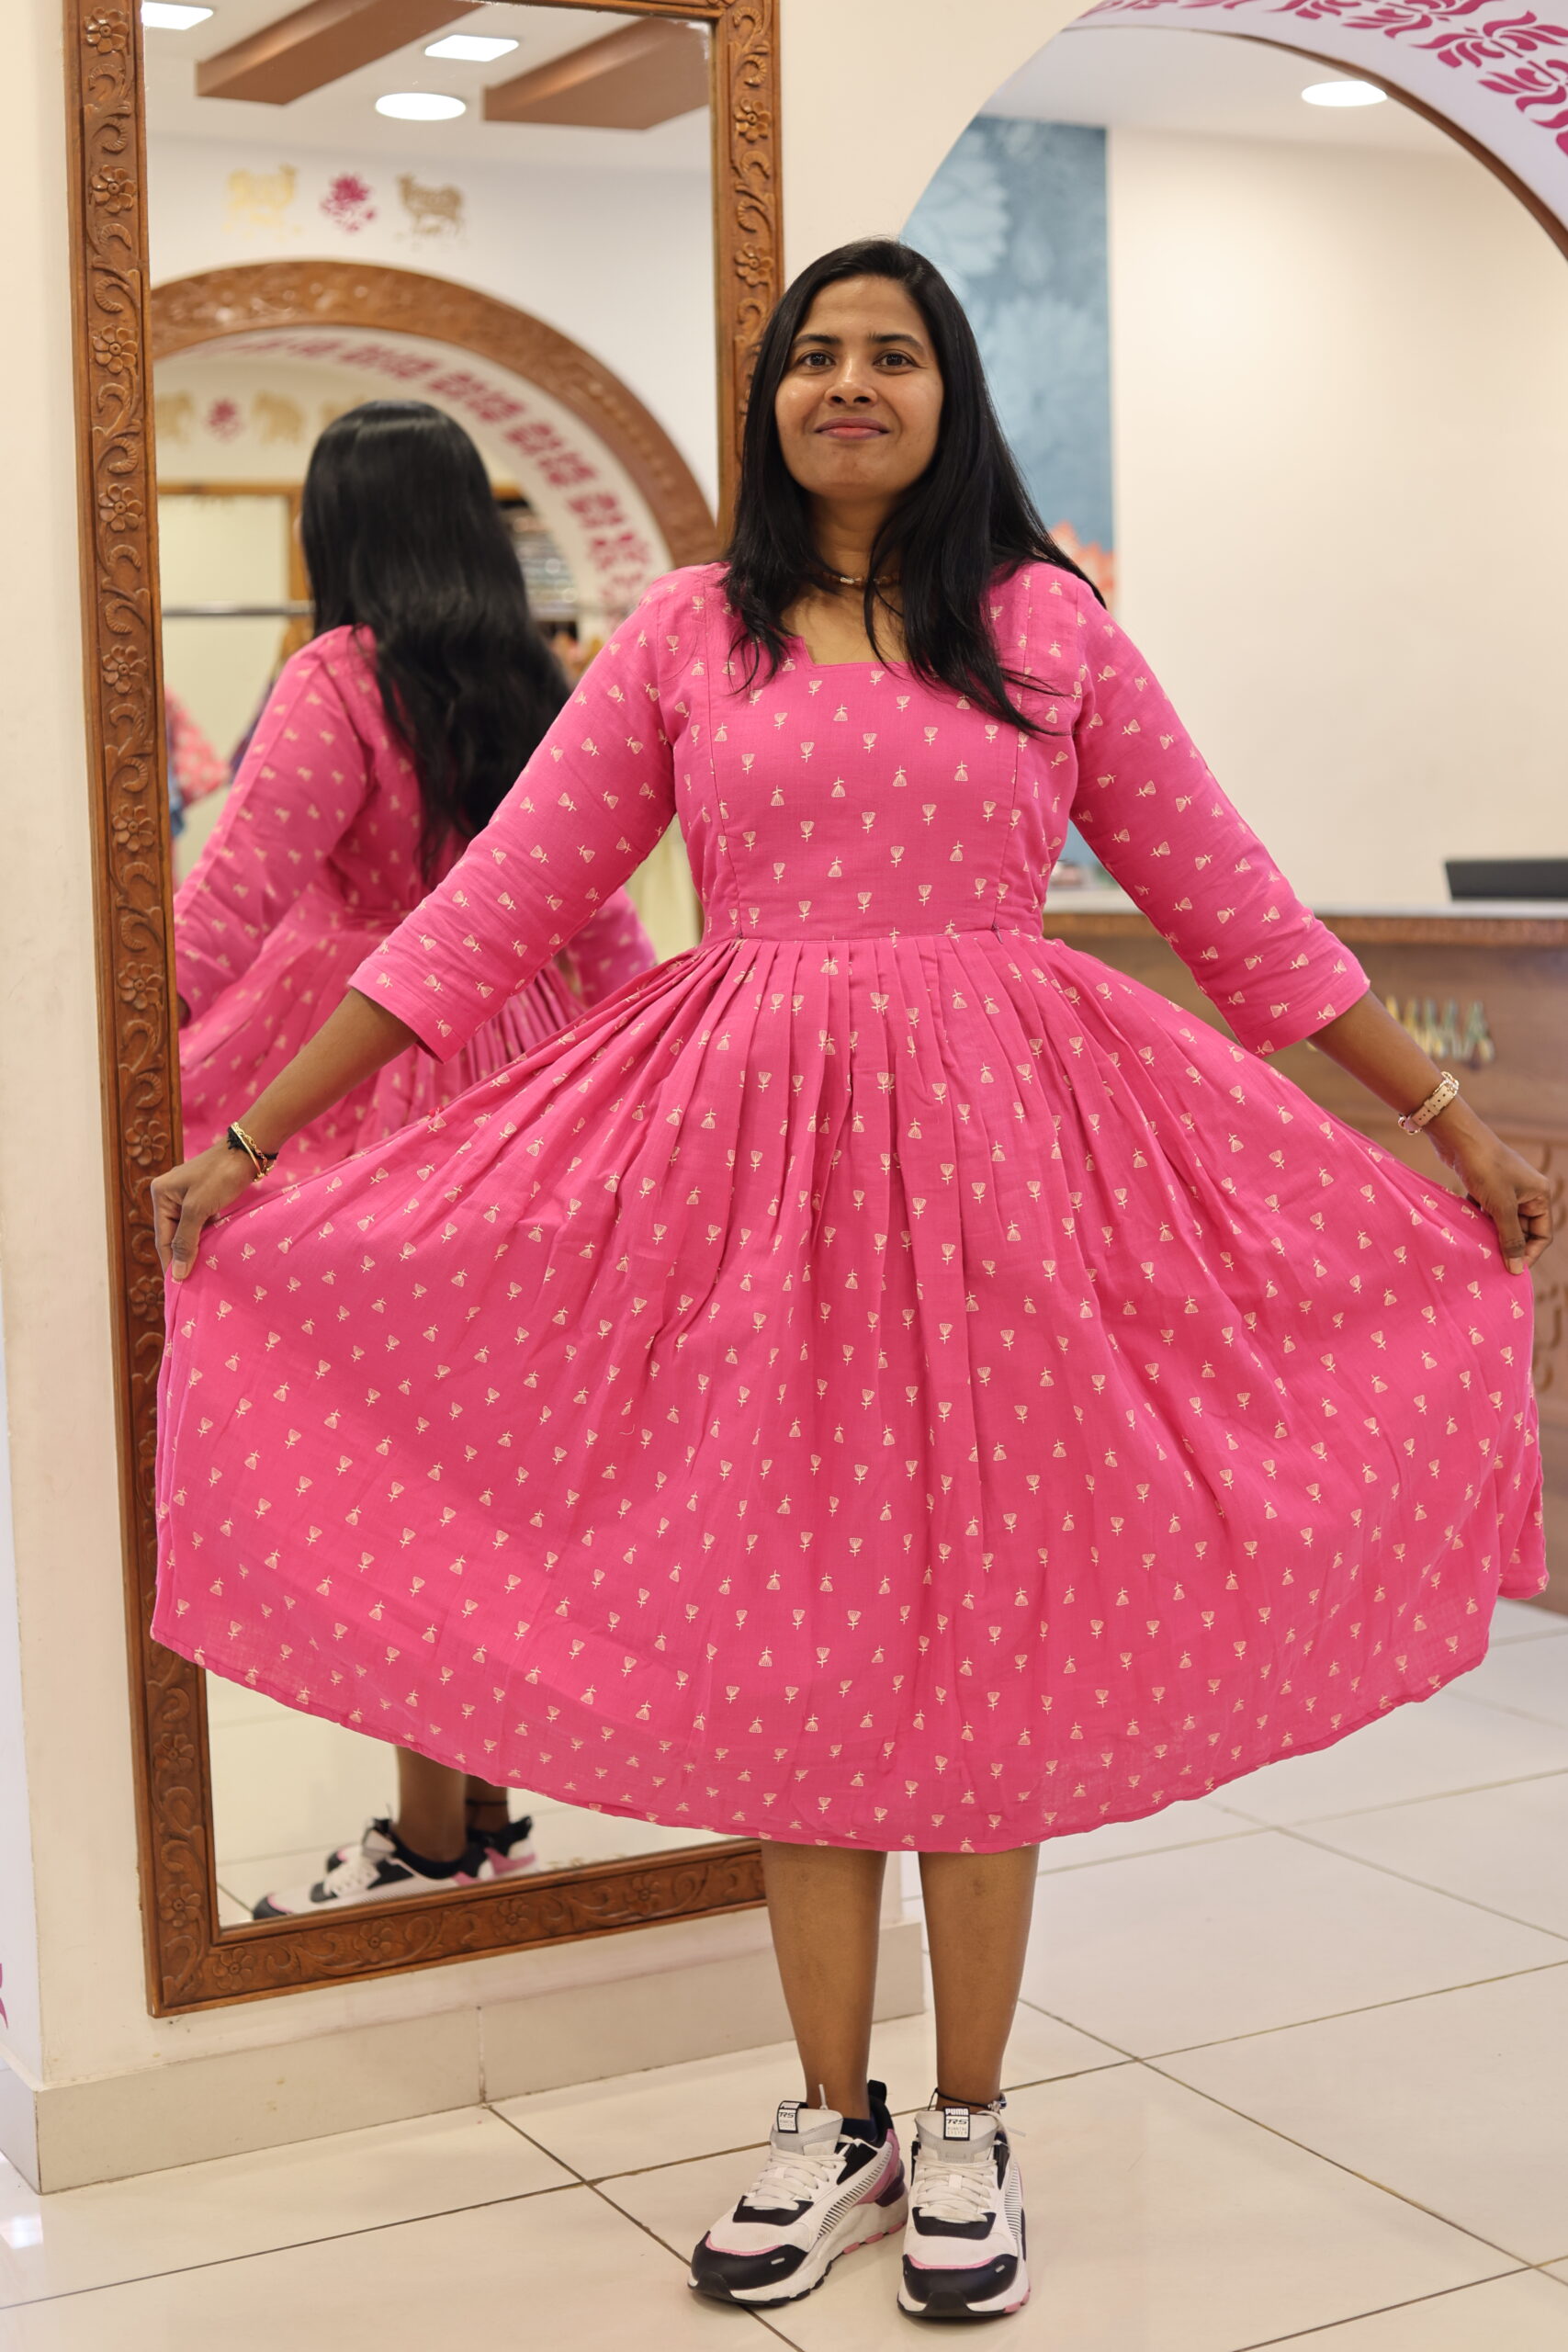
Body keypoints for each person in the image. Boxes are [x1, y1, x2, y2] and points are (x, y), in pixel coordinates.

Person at [149, 243, 1551, 2324]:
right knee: (797, 1651)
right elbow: (489, 911)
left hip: (1012, 1199)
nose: (850, 384)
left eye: (893, 353)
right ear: (774, 401)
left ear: (949, 392)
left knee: (983, 1653)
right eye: (815, 355)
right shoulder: (685, 634)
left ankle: (968, 2113)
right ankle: (831, 2114)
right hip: (755, 1201)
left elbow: (1237, 911)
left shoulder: (1045, 625)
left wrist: (1446, 1127)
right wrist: (258, 1140)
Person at [173, 400, 657, 1917]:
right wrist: (656, 1077)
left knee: (388, 1469)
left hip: (355, 1057)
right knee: (489, 1455)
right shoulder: (538, 680)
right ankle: (484, 1812)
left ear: (339, 528)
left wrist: (116, 1036)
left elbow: (237, 895)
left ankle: (433, 1837)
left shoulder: (339, 679)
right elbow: (600, 921)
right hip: (520, 1066)